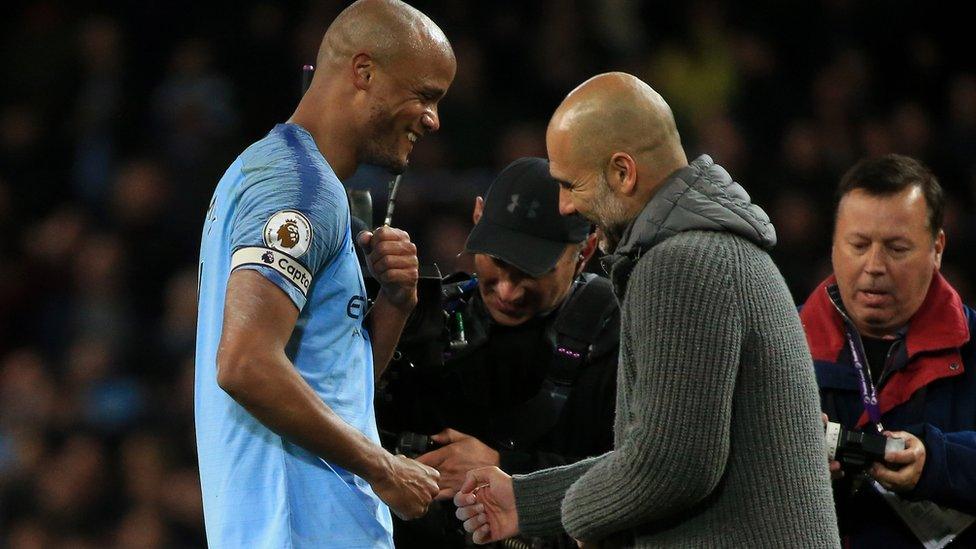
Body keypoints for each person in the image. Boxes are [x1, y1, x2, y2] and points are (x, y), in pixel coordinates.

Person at [454, 72, 839, 547]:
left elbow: (673, 465)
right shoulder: (710, 250)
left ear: (623, 172)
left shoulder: (680, 263)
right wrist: (526, 501)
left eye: (571, 184)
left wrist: (576, 517)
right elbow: (665, 451)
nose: (565, 206)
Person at [193, 1, 456, 547]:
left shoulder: (273, 171)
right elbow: (244, 364)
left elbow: (332, 388)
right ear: (364, 72)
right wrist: (385, 468)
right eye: (425, 95)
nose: (433, 119)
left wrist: (394, 305)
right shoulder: (299, 189)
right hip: (297, 530)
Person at [376, 157, 619, 548]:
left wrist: (507, 470)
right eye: (497, 261)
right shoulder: (424, 322)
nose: (507, 290)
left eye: (533, 272)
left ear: (586, 250)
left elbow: (643, 477)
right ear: (477, 217)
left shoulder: (616, 340)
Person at [799, 154, 976, 547]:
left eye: (897, 248)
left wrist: (937, 462)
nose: (874, 265)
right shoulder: (782, 347)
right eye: (859, 245)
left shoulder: (972, 344)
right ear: (833, 245)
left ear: (937, 248)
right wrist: (788, 467)